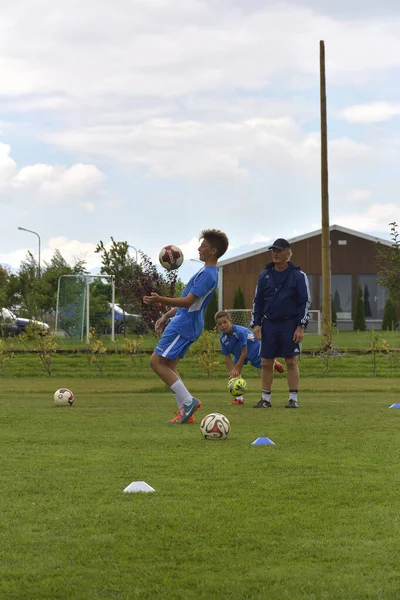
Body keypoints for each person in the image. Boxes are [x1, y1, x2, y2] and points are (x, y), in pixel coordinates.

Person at [143, 229, 229, 424]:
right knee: (170, 367)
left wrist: (159, 299)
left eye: (203, 245)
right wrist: (166, 315)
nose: (199, 248)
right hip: (186, 323)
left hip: (183, 326)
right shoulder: (206, 272)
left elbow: (188, 302)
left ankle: (189, 402)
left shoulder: (208, 274)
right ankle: (185, 412)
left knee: (156, 363)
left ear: (213, 251)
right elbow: (191, 303)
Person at [251, 238, 310, 409]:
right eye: (273, 251)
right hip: (269, 324)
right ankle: (265, 399)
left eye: (279, 250)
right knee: (266, 362)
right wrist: (256, 324)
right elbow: (258, 301)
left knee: (290, 360)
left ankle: (293, 398)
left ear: (288, 253)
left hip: (289, 324)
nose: (275, 254)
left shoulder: (298, 276)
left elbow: (304, 302)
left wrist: (300, 326)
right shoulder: (265, 275)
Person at [215, 310, 284, 405]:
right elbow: (227, 357)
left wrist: (236, 368)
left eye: (225, 322)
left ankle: (274, 363)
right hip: (239, 355)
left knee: (266, 367)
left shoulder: (239, 331)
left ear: (230, 321)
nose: (223, 325)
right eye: (219, 324)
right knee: (235, 374)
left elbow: (244, 352)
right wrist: (232, 373)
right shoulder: (223, 339)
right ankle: (239, 399)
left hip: (254, 350)